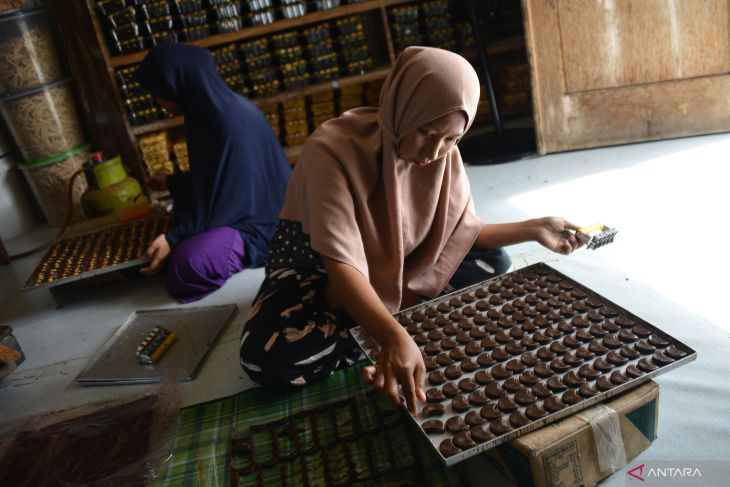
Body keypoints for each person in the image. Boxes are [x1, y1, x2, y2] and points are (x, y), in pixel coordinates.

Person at [239, 47, 582, 414]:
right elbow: (342, 264)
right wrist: (393, 336)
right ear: (403, 106)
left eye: (451, 139)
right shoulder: (332, 151)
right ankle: (384, 325)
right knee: (264, 358)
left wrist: (534, 228)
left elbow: (459, 233)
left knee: (493, 262)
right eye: (425, 131)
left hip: (397, 267)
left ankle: (372, 326)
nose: (434, 151)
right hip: (323, 273)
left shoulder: (442, 153)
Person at [135, 43, 291, 303]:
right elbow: (217, 179)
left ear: (176, 82)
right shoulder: (211, 112)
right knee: (179, 220)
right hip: (243, 206)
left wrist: (174, 238)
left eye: (157, 92)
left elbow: (228, 197)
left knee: (186, 266)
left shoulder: (226, 120)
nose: (158, 101)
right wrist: (171, 183)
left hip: (264, 224)